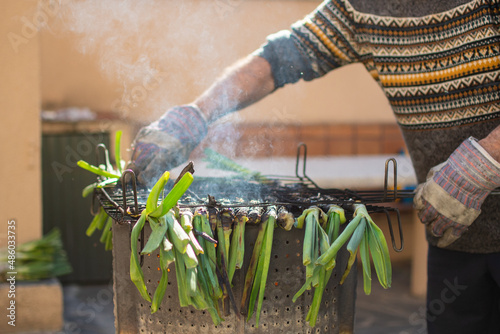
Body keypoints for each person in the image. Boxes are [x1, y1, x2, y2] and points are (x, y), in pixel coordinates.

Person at [127, 0, 500, 332]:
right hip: (455, 232)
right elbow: (277, 60)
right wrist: (197, 114)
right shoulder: (359, 8)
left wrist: (484, 162)